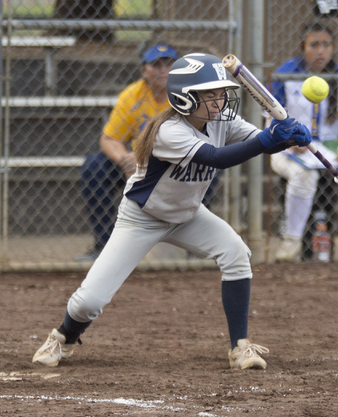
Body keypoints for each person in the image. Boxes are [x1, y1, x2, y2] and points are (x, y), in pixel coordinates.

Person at [32, 53, 313, 370]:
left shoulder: (222, 119)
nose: (219, 100)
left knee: (236, 252)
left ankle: (240, 347)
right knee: (89, 302)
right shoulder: (168, 131)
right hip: (143, 218)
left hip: (188, 214)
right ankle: (62, 338)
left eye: (221, 92)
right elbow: (218, 158)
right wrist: (270, 138)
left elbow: (256, 140)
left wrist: (288, 137)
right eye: (210, 94)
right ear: (184, 97)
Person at [270, 22, 338, 262]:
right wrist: (289, 138)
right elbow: (271, 119)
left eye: (326, 45)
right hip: (287, 147)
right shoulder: (286, 74)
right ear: (303, 47)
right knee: (304, 174)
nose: (321, 51)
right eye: (314, 45)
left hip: (327, 147)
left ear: (333, 48)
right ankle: (292, 242)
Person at [77, 43, 178, 262]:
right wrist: (125, 160)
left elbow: (193, 142)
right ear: (144, 70)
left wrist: (144, 158)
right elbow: (109, 139)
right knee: (94, 166)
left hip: (176, 164)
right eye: (156, 64)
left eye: (169, 64)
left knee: (208, 165)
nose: (163, 70)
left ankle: (195, 250)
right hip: (135, 167)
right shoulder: (132, 96)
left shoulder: (185, 95)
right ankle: (105, 247)